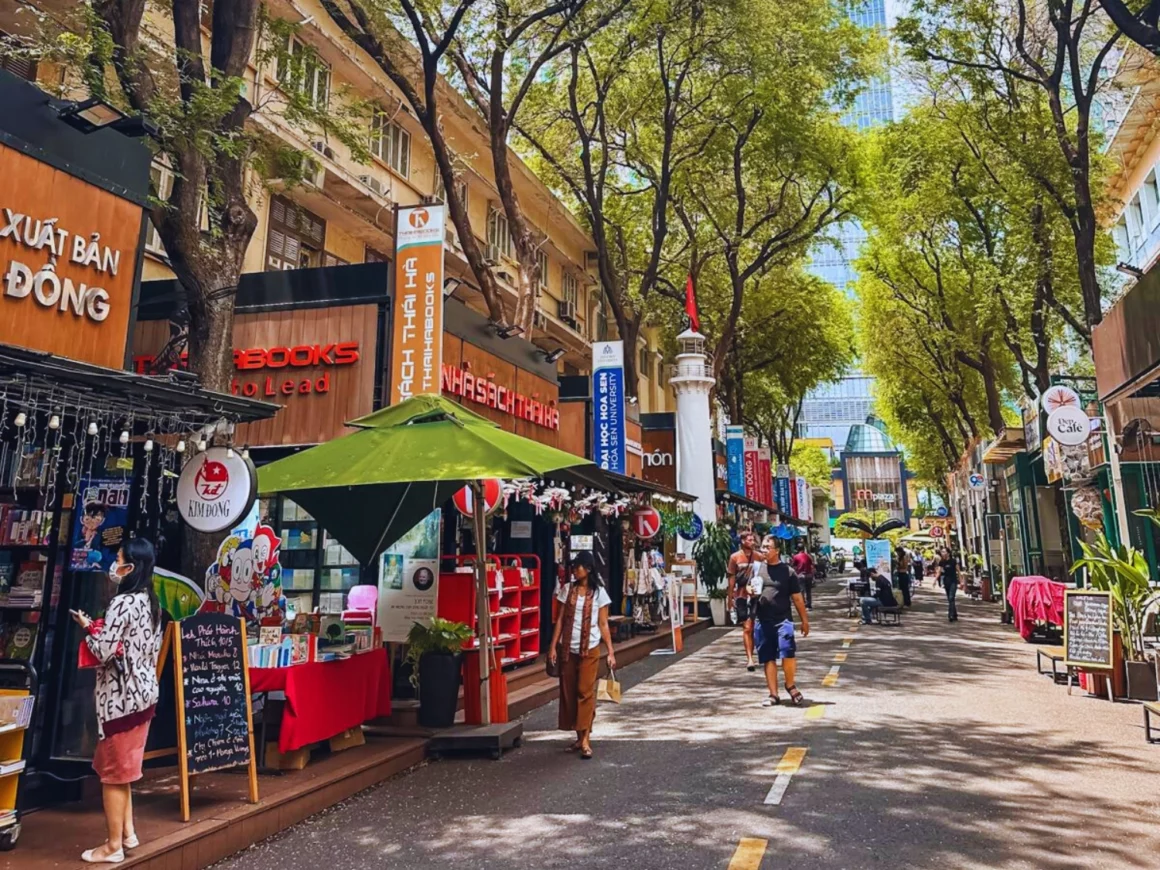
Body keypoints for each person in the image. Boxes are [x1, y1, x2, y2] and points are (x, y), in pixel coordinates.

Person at [71, 538, 163, 864]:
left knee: (113, 774)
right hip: (144, 696)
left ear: (131, 567)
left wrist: (88, 630)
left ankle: (112, 846)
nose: (115, 563)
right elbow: (138, 648)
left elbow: (106, 650)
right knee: (124, 769)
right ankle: (127, 831)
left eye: (119, 558)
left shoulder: (122, 604)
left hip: (119, 701)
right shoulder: (152, 604)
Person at [548, 550, 616, 760]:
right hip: (568, 648)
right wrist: (552, 647)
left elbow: (603, 623)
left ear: (588, 569)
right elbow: (560, 620)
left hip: (590, 648)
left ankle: (586, 739)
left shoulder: (599, 593)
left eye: (578, 566)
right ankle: (579, 737)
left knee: (584, 690)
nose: (575, 570)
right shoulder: (567, 590)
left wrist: (611, 651)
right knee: (569, 692)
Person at [754, 540, 810, 706]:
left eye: (767, 547)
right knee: (768, 657)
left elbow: (797, 598)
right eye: (762, 546)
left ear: (777, 550)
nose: (764, 550)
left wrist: (804, 621)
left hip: (783, 620)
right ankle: (773, 694)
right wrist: (750, 591)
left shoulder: (788, 571)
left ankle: (790, 685)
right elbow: (749, 589)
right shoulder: (757, 569)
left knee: (788, 653)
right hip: (762, 619)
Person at [726, 530, 765, 672]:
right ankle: (749, 658)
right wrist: (730, 598)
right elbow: (731, 579)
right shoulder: (734, 558)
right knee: (747, 627)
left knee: (755, 626)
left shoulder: (759, 557)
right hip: (742, 595)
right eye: (749, 540)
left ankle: (757, 653)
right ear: (742, 541)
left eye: (752, 539)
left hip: (756, 595)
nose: (752, 542)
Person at [936, 546, 960, 622]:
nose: (942, 553)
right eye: (942, 552)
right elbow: (939, 572)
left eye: (944, 552)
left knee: (951, 597)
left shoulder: (953, 561)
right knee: (950, 599)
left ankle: (951, 615)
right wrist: (935, 580)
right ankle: (955, 614)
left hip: (953, 581)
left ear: (948, 553)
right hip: (946, 581)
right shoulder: (942, 562)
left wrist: (961, 581)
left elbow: (958, 571)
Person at [790, 543, 816, 610]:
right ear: (804, 548)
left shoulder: (796, 557)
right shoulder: (808, 556)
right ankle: (809, 605)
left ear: (797, 549)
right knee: (808, 591)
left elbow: (793, 566)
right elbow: (812, 565)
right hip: (809, 575)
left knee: (801, 591)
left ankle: (803, 605)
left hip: (801, 575)